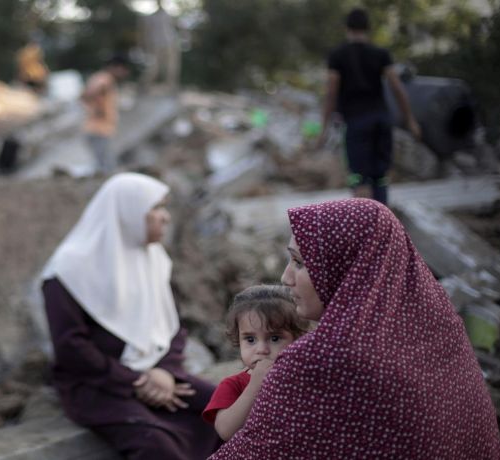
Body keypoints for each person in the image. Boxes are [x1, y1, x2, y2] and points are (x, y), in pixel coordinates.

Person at [209, 198, 500, 458]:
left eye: (299, 262)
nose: (286, 278)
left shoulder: (326, 357)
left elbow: (253, 451)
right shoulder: (436, 325)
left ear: (345, 267)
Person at [42, 173, 221, 459]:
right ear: (128, 213)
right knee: (156, 445)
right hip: (100, 386)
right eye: (156, 208)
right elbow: (70, 347)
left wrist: (165, 371)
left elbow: (172, 325)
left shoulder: (154, 259)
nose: (166, 218)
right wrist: (135, 381)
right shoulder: (68, 271)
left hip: (160, 374)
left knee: (226, 409)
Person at [318, 8, 421, 204]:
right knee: (380, 178)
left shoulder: (337, 56)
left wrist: (323, 128)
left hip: (356, 123)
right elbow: (397, 88)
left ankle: (365, 222)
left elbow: (331, 93)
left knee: (360, 179)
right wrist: (410, 120)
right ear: (368, 28)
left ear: (346, 28)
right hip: (381, 120)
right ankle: (382, 220)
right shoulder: (380, 54)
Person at [201, 285, 308, 441]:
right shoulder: (234, 385)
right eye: (250, 339)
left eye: (275, 338)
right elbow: (225, 431)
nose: (261, 350)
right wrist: (255, 386)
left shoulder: (304, 377)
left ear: (298, 338)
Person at [81, 56, 130, 175]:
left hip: (99, 129)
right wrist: (99, 109)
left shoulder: (101, 78)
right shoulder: (105, 79)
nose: (124, 73)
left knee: (103, 165)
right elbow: (89, 94)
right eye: (123, 69)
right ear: (116, 67)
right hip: (99, 129)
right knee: (107, 167)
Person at [138, 0, 180, 91]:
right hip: (157, 44)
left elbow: (175, 28)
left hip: (169, 43)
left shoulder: (168, 15)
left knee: (171, 66)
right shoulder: (151, 17)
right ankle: (144, 85)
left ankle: (171, 86)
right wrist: (146, 45)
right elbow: (146, 32)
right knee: (154, 66)